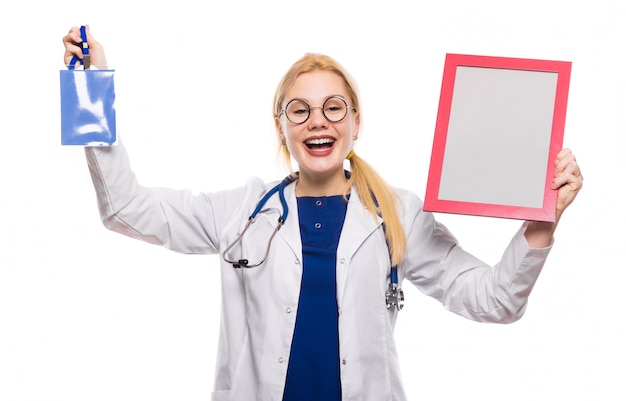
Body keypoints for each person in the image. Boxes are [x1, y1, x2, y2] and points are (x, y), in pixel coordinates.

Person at [62, 26, 583, 401]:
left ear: (356, 121)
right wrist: (88, 93)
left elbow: (494, 301)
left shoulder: (397, 213)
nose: (319, 121)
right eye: (300, 110)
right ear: (282, 126)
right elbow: (125, 209)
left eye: (334, 107)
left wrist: (540, 225)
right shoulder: (243, 210)